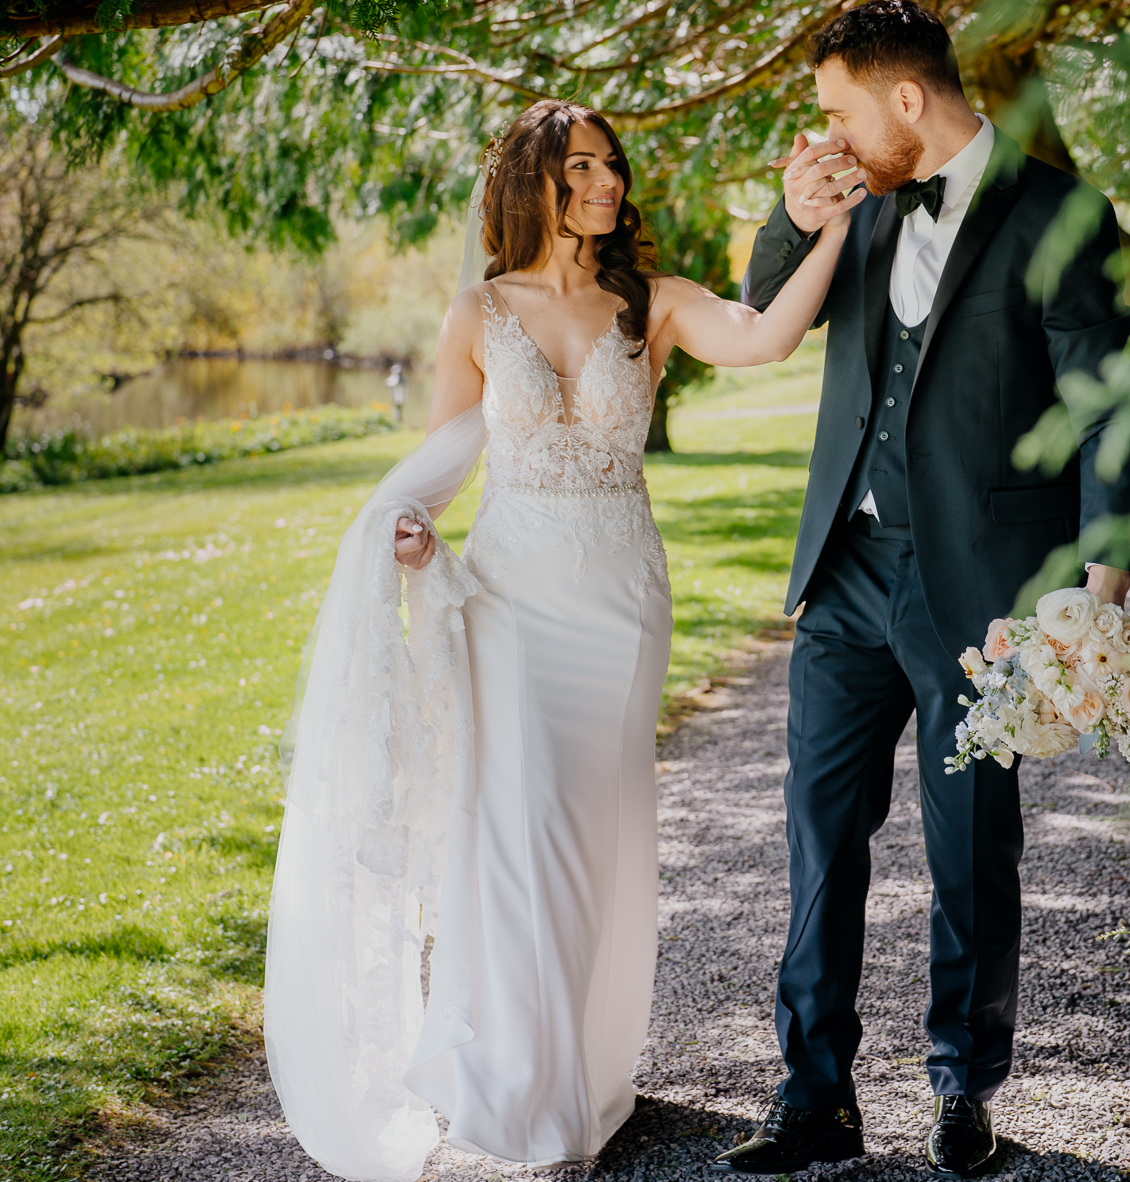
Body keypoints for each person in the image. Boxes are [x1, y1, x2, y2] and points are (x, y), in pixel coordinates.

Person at [262, 98, 868, 1179]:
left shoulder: (653, 304)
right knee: (520, 830)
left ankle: (585, 1065)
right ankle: (518, 1083)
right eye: (579, 166)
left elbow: (769, 335)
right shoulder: (476, 313)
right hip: (511, 598)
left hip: (620, 602)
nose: (605, 184)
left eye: (611, 166)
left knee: (596, 827)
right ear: (530, 179)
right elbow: (445, 463)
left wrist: (832, 229)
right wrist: (410, 536)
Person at [713, 0, 1130, 1178]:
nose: (826, 136)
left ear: (906, 101)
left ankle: (964, 1085)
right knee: (819, 834)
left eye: (838, 112)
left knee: (968, 842)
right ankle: (815, 1092)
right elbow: (760, 312)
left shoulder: (1061, 215)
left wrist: (1100, 599)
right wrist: (789, 216)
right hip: (850, 568)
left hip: (986, 590)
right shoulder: (848, 197)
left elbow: (1107, 412)